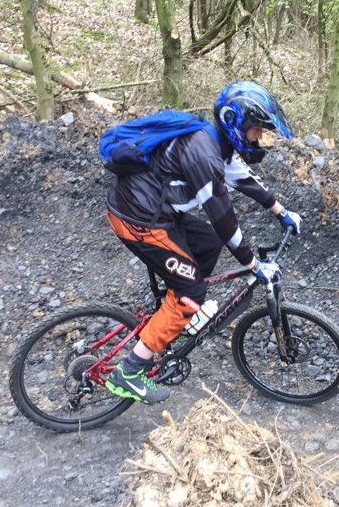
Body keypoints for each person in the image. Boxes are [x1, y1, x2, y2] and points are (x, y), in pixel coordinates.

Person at [104, 81, 301, 404]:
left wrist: (282, 212)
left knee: (208, 243)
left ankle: (175, 316)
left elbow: (243, 179)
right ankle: (129, 372)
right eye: (256, 130)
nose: (259, 138)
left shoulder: (216, 144)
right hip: (138, 220)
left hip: (157, 213)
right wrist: (253, 264)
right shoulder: (204, 155)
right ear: (234, 123)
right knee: (192, 291)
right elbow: (223, 217)